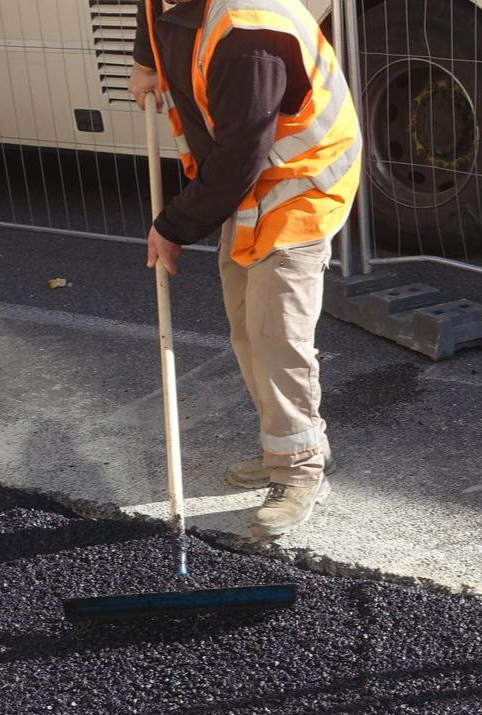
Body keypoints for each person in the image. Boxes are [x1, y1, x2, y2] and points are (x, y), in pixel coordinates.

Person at [129, 0, 360, 538]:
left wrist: (173, 225)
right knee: (245, 325)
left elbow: (240, 155)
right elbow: (153, 22)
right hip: (250, 185)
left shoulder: (247, 30)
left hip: (301, 180)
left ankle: (299, 471)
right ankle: (296, 443)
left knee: (275, 333)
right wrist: (146, 62)